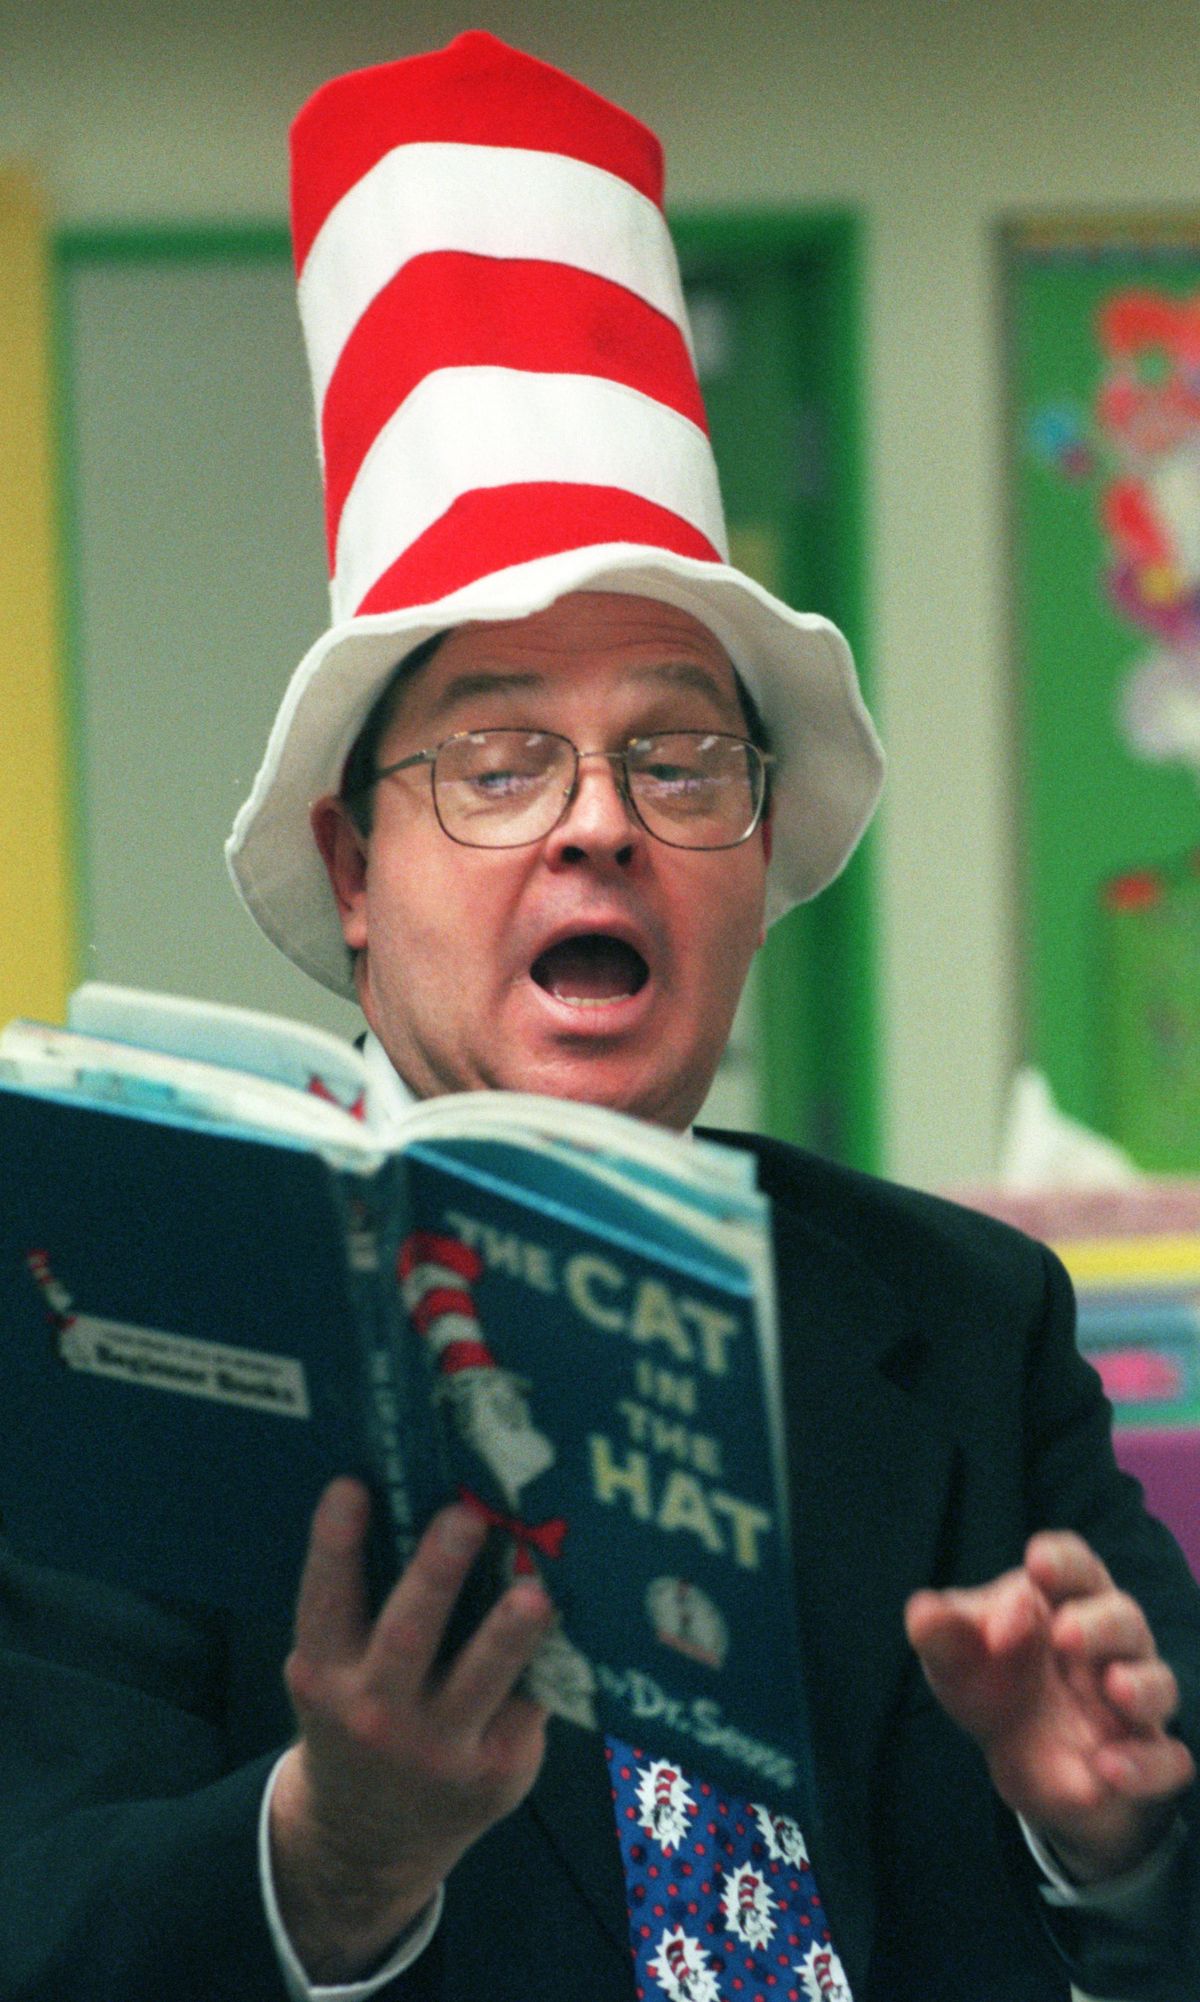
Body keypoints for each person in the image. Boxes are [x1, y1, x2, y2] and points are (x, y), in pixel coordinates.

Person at [1, 31, 1196, 2002]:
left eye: (677, 758)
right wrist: (328, 1855)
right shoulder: (112, 1300)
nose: (599, 826)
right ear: (357, 866)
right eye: (498, 761)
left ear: (756, 848)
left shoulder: (970, 1330)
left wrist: (1120, 1841)